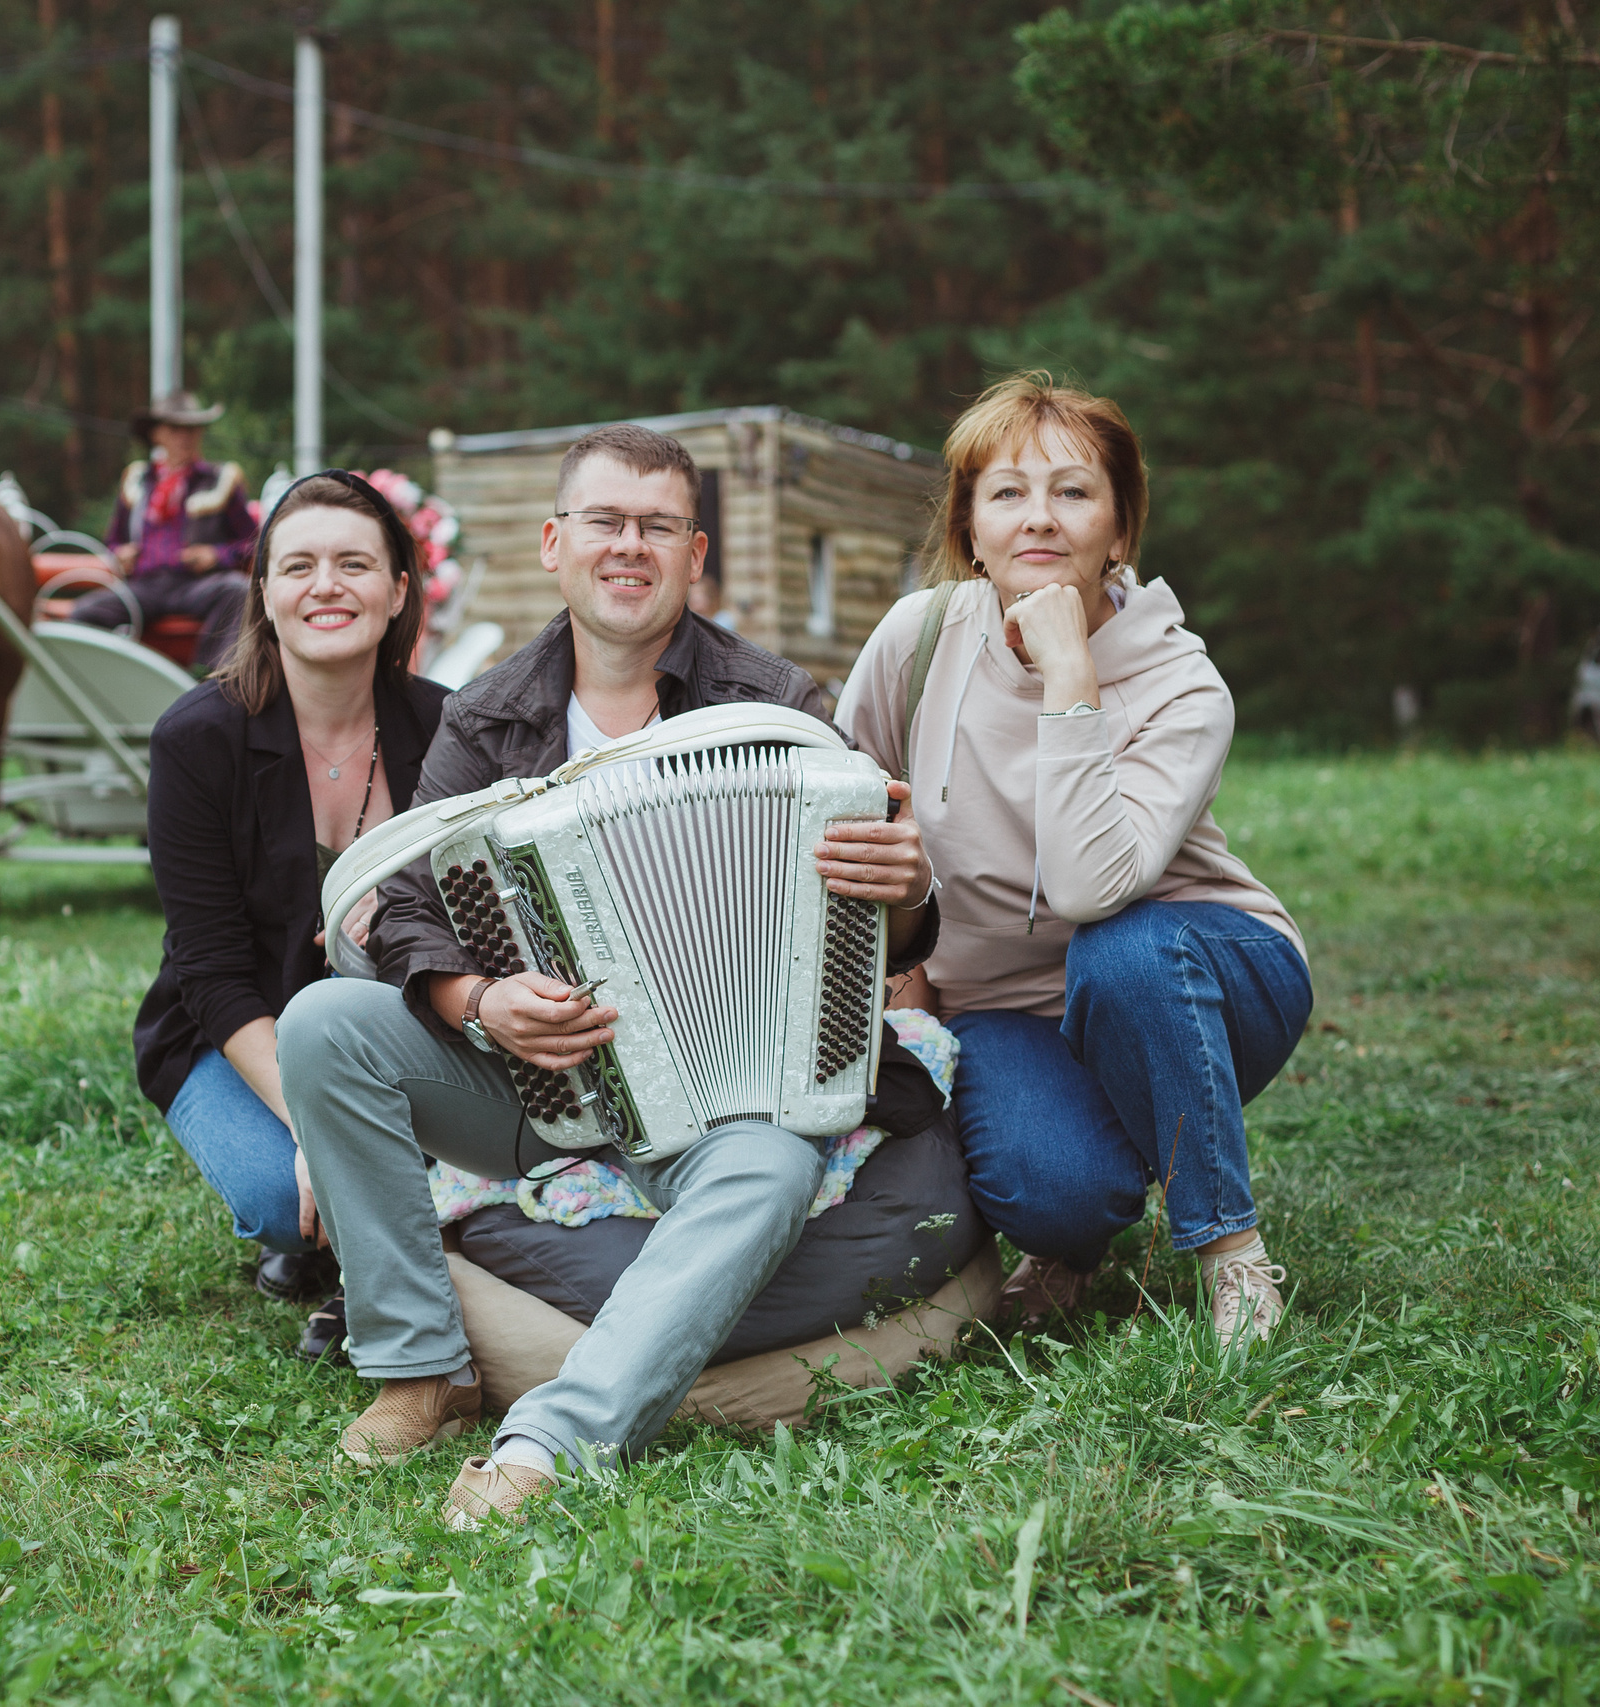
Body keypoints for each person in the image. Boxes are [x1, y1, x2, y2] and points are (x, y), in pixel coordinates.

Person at [276, 423, 947, 1530]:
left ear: (695, 557)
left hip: (731, 1094)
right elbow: (399, 907)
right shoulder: (485, 717)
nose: (628, 547)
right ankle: (421, 1369)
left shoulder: (778, 709)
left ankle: (549, 1443)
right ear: (554, 543)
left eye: (658, 527)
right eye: (604, 522)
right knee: (322, 1025)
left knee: (774, 1172)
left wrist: (906, 885)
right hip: (544, 1089)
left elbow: (894, 936)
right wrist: (477, 1002)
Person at [836, 372, 1311, 1349]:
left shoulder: (1182, 683)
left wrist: (1069, 675)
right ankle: (1081, 1227)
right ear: (970, 527)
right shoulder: (918, 641)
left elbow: (1094, 890)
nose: (1037, 518)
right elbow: (849, 811)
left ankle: (1231, 1255)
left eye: (1073, 490)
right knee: (1052, 1194)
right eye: (1006, 492)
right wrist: (907, 970)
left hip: (1202, 972)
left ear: (1121, 529)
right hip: (1002, 1005)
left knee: (1120, 951)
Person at [131, 470, 449, 1361]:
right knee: (286, 1191)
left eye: (355, 563)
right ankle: (313, 1237)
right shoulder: (197, 739)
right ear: (265, 593)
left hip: (400, 1027)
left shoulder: (449, 729)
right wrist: (317, 1125)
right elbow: (211, 972)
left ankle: (351, 1247)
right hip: (232, 1033)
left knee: (418, 1165)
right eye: (299, 565)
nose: (326, 585)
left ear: (397, 590)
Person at [72, 392, 260, 663]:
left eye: (192, 429)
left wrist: (215, 555)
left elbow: (252, 541)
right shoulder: (136, 481)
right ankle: (107, 680)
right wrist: (120, 553)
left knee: (238, 591)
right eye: (176, 429)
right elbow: (112, 540)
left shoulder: (220, 480)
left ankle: (212, 682)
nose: (186, 436)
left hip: (195, 585)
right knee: (83, 613)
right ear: (157, 434)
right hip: (145, 586)